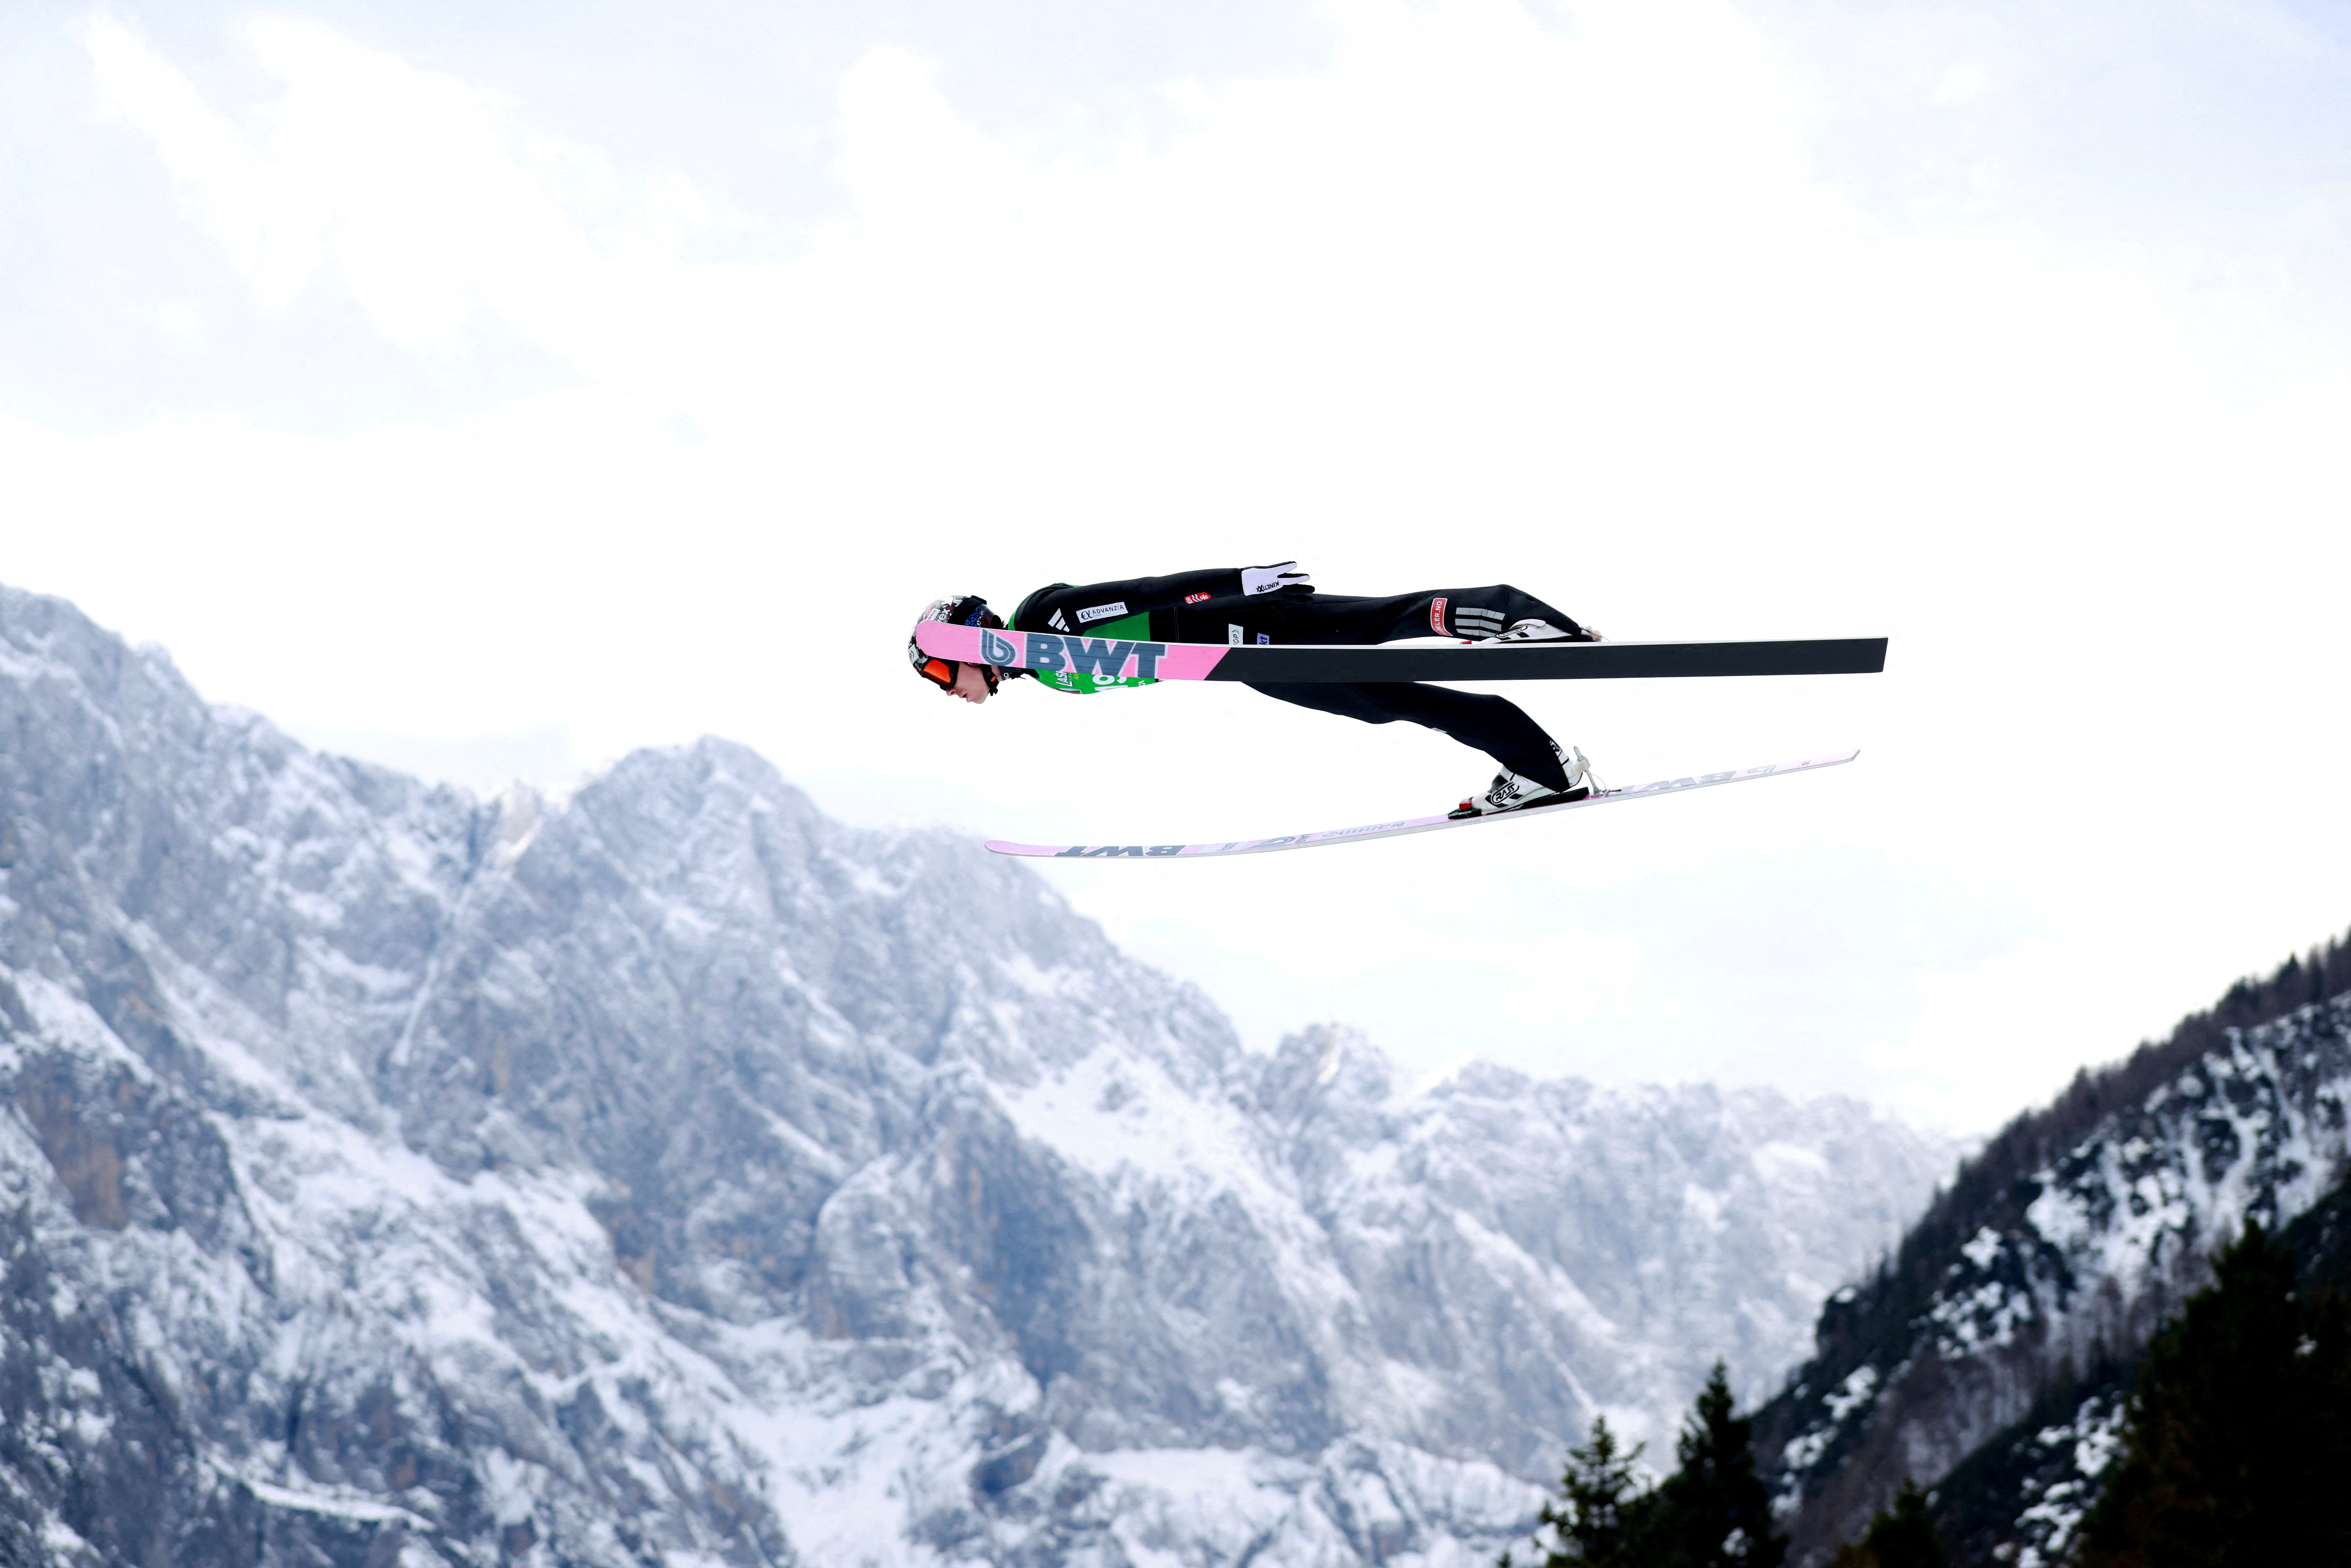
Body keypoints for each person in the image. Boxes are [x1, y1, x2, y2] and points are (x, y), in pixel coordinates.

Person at [908, 563, 1603, 817]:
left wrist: (1244, 582)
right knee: (1398, 702)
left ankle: (1530, 620)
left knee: (1386, 619)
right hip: (1243, 663)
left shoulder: (1044, 619)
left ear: (963, 642)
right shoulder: (1044, 666)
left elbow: (1146, 593)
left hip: (1247, 625)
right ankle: (1544, 769)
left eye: (939, 673)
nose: (947, 691)